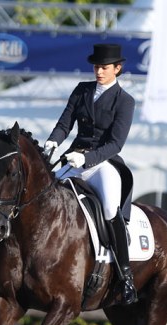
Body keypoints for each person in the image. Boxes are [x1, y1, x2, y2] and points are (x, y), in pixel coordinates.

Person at [44, 43, 137, 304]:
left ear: (117, 69)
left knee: (109, 208)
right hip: (73, 158)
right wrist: (53, 141)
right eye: (96, 67)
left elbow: (115, 144)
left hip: (101, 163)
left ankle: (125, 274)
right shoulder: (82, 90)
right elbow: (65, 123)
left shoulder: (125, 101)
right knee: (46, 196)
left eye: (104, 68)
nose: (99, 72)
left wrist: (86, 158)